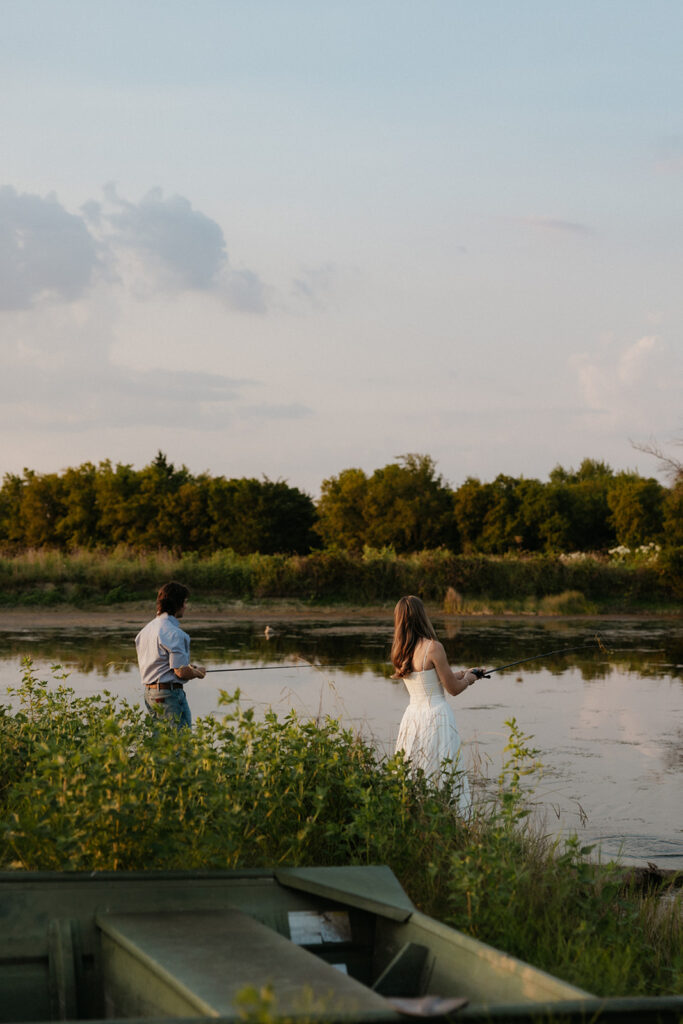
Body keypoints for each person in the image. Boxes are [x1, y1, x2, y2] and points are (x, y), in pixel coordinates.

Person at [391, 595, 484, 813]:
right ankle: (448, 816)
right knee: (443, 771)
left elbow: (435, 678)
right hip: (436, 716)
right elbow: (453, 688)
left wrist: (465, 672)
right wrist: (471, 679)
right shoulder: (433, 647)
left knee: (414, 770)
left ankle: (415, 814)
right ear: (422, 616)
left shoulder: (399, 650)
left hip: (413, 717)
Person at [135, 581, 206, 729]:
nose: (186, 607)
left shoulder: (145, 631)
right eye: (185, 602)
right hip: (169, 696)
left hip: (150, 695)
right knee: (180, 743)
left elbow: (161, 663)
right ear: (177, 604)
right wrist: (198, 673)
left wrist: (190, 668)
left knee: (160, 743)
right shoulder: (175, 634)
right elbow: (180, 672)